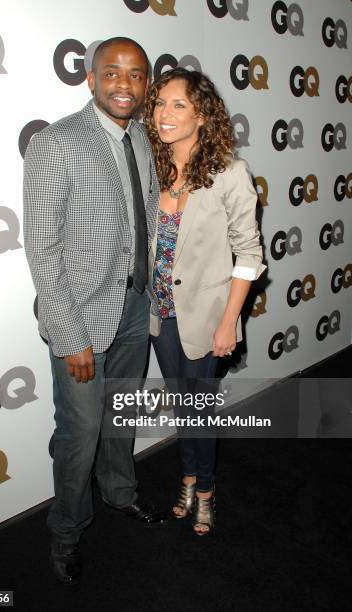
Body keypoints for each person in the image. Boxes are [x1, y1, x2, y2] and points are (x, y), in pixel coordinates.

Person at [23, 37, 165, 587]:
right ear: (91, 78)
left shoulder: (146, 141)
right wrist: (68, 334)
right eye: (112, 73)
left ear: (145, 84)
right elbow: (43, 248)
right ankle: (66, 531)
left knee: (121, 416)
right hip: (79, 316)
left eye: (135, 75)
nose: (124, 85)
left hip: (136, 304)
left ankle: (120, 494)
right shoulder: (57, 142)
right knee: (80, 432)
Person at [144, 68, 266, 535]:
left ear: (202, 114)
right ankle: (190, 477)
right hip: (160, 315)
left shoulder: (229, 173)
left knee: (198, 408)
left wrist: (228, 321)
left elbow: (249, 253)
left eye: (178, 105)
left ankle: (206, 489)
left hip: (206, 315)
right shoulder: (153, 168)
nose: (164, 114)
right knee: (182, 404)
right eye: (159, 103)